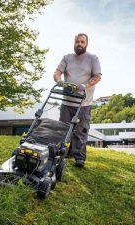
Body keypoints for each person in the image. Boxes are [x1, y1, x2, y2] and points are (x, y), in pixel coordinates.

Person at [53, 33, 101, 167]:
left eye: (82, 42)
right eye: (77, 42)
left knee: (81, 130)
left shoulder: (92, 58)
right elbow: (57, 72)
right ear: (74, 43)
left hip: (84, 103)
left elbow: (97, 76)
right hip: (67, 102)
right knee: (63, 129)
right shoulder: (67, 58)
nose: (79, 44)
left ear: (86, 44)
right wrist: (59, 81)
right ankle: (63, 153)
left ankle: (79, 158)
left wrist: (85, 85)